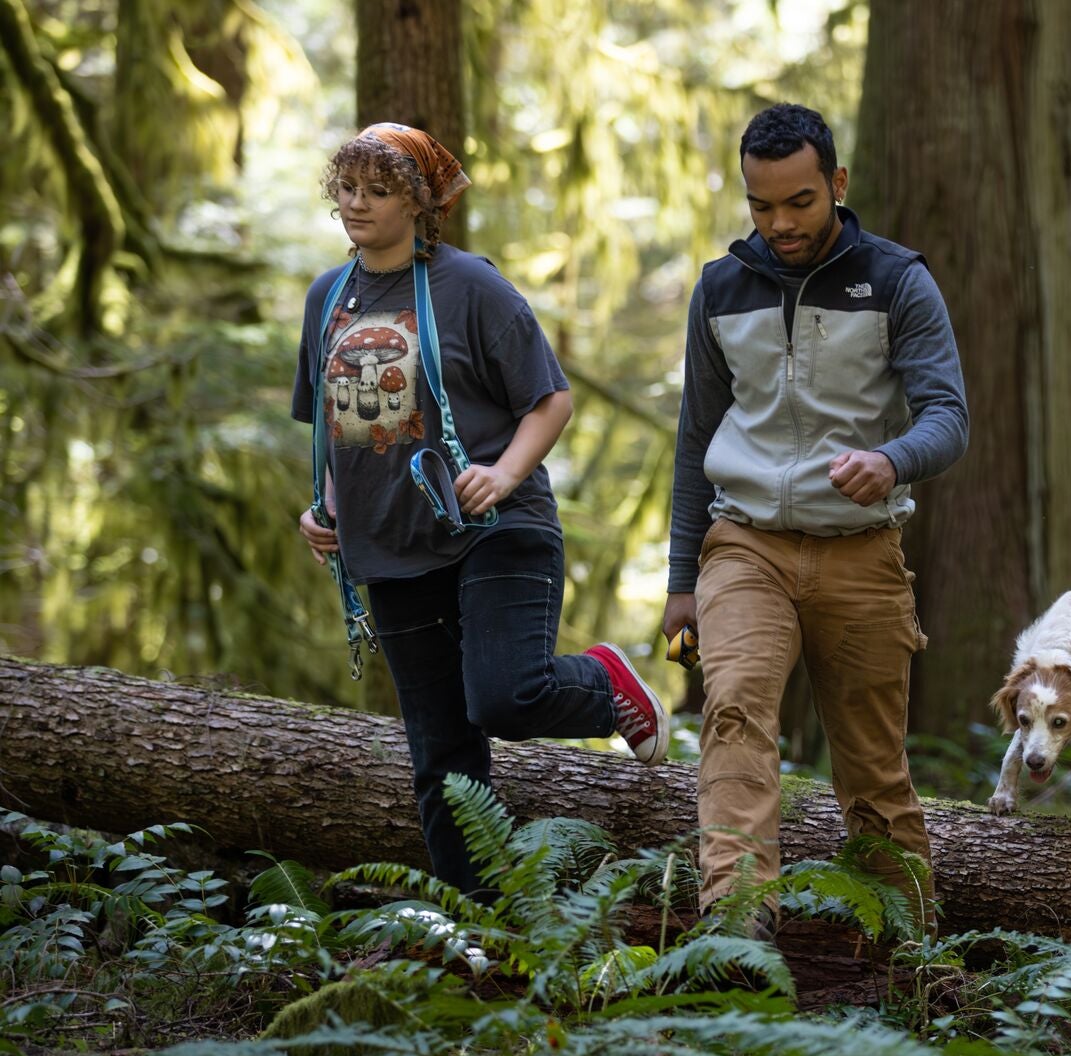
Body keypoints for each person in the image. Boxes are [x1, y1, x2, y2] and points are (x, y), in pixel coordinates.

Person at [293, 122, 668, 896]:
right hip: (390, 551)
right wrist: (325, 509)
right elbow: (344, 426)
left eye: (378, 190)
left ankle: (604, 682)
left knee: (504, 695)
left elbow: (551, 399)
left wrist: (502, 473)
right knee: (441, 759)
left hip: (494, 529)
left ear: (421, 202)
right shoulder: (328, 297)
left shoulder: (473, 286)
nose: (356, 203)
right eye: (348, 188)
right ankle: (483, 926)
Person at [661, 103, 969, 937]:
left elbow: (948, 415)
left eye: (798, 202)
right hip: (744, 544)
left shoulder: (898, 279)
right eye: (761, 206)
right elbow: (696, 438)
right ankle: (737, 930)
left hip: (861, 553)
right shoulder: (721, 288)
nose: (779, 224)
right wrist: (679, 580)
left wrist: (892, 459)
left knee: (873, 768)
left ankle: (907, 949)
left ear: (835, 183)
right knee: (734, 710)